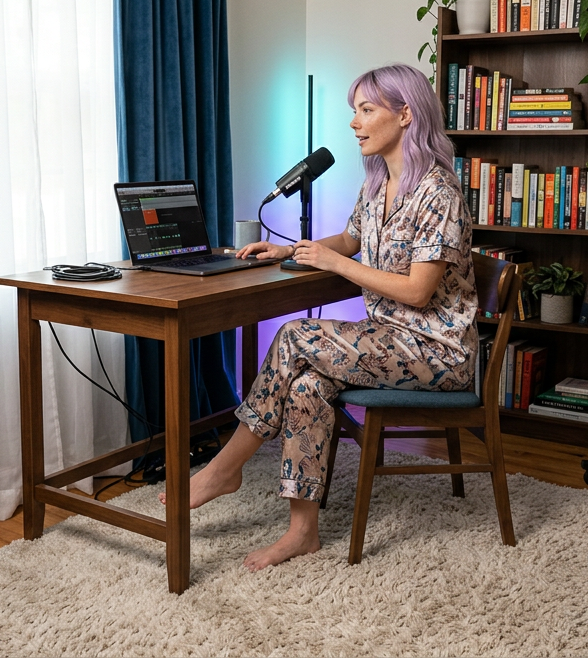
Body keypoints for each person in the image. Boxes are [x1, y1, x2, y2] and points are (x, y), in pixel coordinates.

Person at [159, 63, 478, 571]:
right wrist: (288, 250)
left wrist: (338, 265)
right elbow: (350, 241)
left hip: (437, 352)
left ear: (406, 114)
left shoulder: (438, 192)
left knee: (292, 336)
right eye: (354, 111)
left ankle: (225, 467)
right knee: (306, 385)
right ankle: (302, 531)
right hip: (388, 340)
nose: (355, 123)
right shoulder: (377, 185)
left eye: (366, 110)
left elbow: (418, 291)